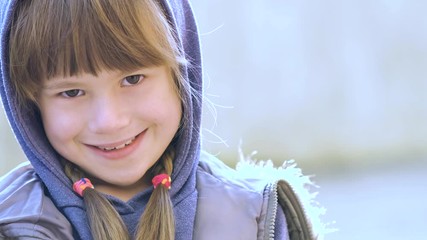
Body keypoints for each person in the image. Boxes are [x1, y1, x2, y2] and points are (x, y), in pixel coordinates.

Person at [0, 0, 327, 239]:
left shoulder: (255, 215)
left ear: (181, 77)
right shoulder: (12, 224)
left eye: (132, 79)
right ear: (29, 107)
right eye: (71, 92)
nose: (110, 121)